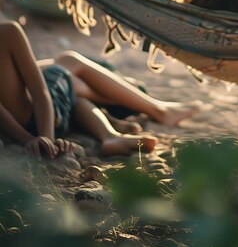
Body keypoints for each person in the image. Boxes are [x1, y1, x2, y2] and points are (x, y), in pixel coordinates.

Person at [0, 20, 202, 158]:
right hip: (43, 121)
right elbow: (40, 91)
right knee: (67, 63)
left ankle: (111, 134)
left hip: (23, 128)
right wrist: (47, 140)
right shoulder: (8, 31)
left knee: (69, 80)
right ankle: (155, 108)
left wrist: (30, 139)